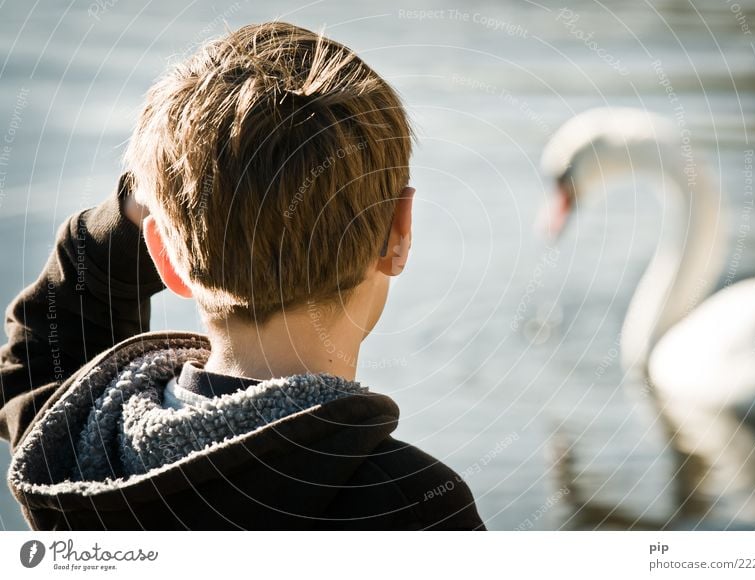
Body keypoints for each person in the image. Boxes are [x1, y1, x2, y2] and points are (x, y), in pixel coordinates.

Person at [0, 21, 485, 530]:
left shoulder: (77, 459)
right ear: (400, 231)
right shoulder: (414, 504)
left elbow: (57, 320)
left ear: (164, 256)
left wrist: (170, 203)